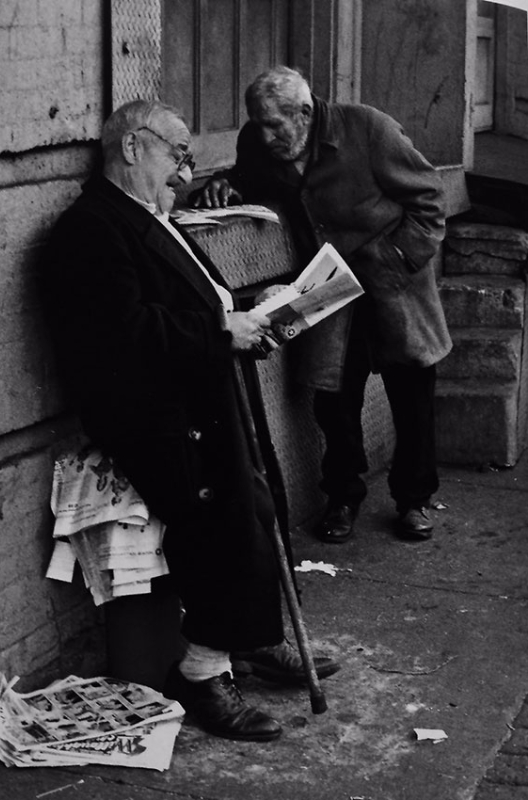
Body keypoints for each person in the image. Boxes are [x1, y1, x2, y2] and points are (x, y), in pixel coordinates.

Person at [39, 99, 340, 743]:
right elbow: (120, 334)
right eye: (176, 153)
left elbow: (199, 298)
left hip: (198, 393)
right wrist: (217, 329)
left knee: (262, 504)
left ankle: (252, 641)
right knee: (226, 515)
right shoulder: (92, 228)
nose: (183, 171)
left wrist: (252, 315)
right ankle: (203, 673)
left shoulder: (150, 216)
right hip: (155, 412)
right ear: (130, 147)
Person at [194, 66, 452, 544]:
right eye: (257, 123)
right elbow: (250, 178)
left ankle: (414, 499)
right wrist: (226, 183)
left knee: (411, 395)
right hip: (329, 291)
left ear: (306, 113)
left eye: (275, 124)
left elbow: (432, 197)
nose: (265, 135)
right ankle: (343, 497)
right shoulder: (258, 143)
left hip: (393, 283)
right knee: (334, 399)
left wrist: (393, 258)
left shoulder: (368, 129)